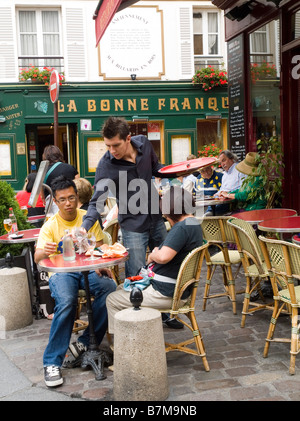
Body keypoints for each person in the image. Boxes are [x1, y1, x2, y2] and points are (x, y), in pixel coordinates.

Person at [81, 116, 183, 329]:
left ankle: (165, 313)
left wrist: (180, 171)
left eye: (116, 145)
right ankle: (138, 322)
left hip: (156, 217)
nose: (112, 150)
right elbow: (96, 203)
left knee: (164, 265)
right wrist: (84, 226)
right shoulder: (106, 166)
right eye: (107, 146)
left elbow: (157, 169)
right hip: (132, 225)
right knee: (136, 275)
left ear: (128, 138)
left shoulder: (144, 144)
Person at [34, 175, 116, 387]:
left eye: (71, 197)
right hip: (62, 273)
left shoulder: (87, 217)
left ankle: (85, 343)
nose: (68, 203)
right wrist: (45, 251)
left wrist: (101, 263)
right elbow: (37, 257)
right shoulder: (50, 225)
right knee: (67, 301)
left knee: (109, 288)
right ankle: (52, 362)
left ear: (77, 197)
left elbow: (99, 246)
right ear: (56, 201)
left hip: (88, 270)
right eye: (62, 199)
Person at [106, 186, 203, 334]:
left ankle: (123, 344)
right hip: (175, 289)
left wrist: (152, 255)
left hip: (166, 293)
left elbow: (163, 257)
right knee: (121, 289)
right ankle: (135, 334)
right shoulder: (192, 223)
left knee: (112, 299)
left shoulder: (181, 228)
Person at [42, 145, 79, 214]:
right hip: (70, 200)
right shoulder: (70, 168)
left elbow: (41, 188)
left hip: (51, 201)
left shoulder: (43, 170)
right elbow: (78, 184)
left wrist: (43, 200)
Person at [211, 149, 245, 215]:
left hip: (233, 203)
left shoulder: (239, 170)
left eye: (224, 160)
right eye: (220, 163)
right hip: (222, 201)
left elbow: (243, 188)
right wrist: (217, 194)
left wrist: (228, 194)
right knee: (209, 210)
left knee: (212, 213)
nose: (222, 164)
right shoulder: (225, 174)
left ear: (231, 158)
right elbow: (222, 189)